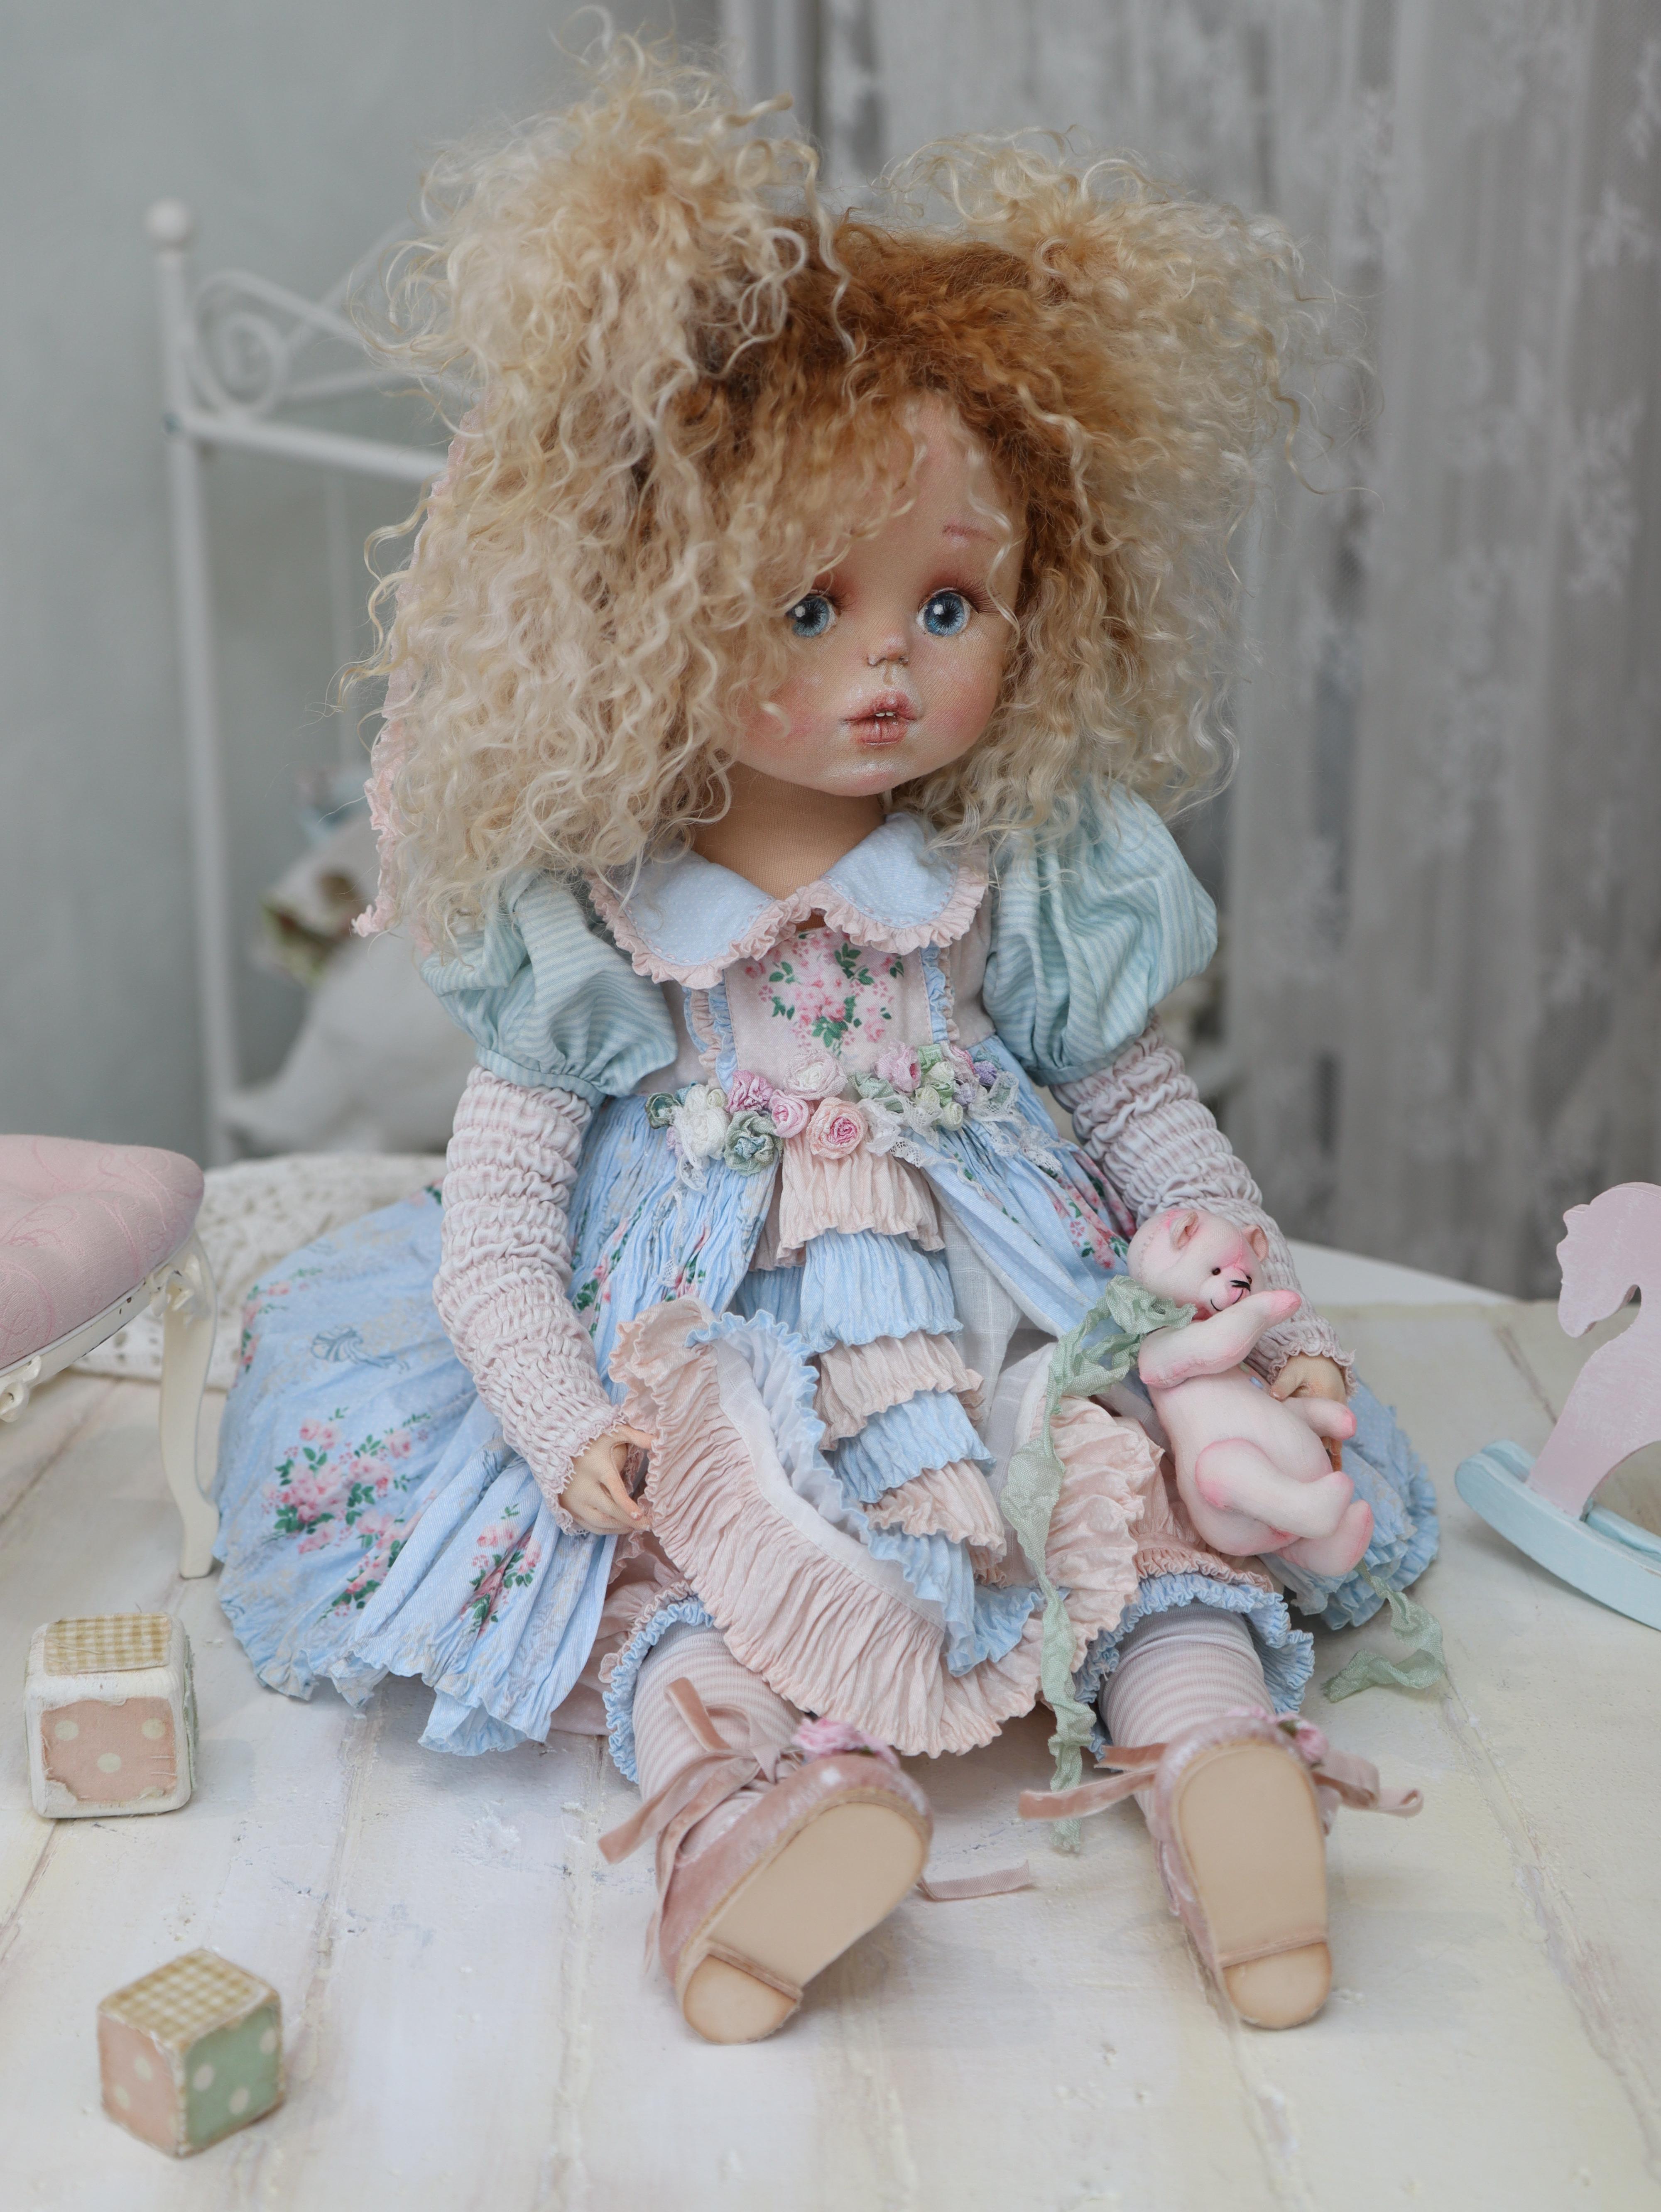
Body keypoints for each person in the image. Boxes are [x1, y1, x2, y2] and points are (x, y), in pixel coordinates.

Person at [213, 40, 1433, 2044]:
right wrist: (560, 1415)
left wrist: (1253, 1304)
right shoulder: (599, 915)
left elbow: (1143, 1115)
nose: (886, 662)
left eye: (949, 605)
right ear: (642, 615)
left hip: (997, 1305)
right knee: (681, 1574)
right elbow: (497, 1214)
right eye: (805, 607)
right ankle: (747, 1816)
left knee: (1128, 1498)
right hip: (714, 1338)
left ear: (1039, 601)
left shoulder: (1017, 872)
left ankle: (1219, 1766)